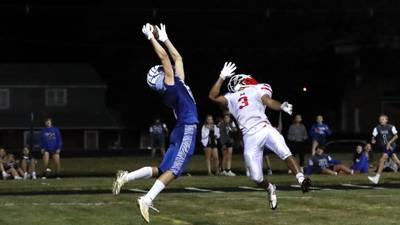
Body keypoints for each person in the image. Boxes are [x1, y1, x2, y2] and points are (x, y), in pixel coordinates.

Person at [112, 23, 198, 223]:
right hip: (186, 128)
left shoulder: (176, 84)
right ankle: (147, 199)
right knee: (174, 171)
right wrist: (151, 37)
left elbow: (178, 58)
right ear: (160, 77)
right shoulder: (170, 86)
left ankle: (126, 177)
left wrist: (165, 38)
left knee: (162, 170)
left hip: (180, 129)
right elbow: (165, 58)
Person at [209, 62, 311, 210]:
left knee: (284, 151)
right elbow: (212, 96)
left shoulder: (258, 88)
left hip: (264, 128)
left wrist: (281, 106)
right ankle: (270, 187)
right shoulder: (231, 97)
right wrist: (221, 77)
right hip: (249, 137)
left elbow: (268, 101)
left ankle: (301, 179)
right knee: (256, 177)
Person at [368, 114, 399, 184]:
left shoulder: (391, 127)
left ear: (386, 120)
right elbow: (373, 136)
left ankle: (376, 178)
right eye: (380, 119)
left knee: (382, 159)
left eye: (383, 119)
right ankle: (376, 178)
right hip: (385, 147)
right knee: (397, 161)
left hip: (391, 146)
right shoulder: (377, 128)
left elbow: (396, 136)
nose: (381, 121)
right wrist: (373, 139)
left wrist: (389, 143)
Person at [218, 112, 237, 176]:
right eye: (226, 118)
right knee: (225, 156)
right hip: (223, 141)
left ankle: (228, 170)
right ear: (224, 118)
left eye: (228, 118)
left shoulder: (231, 123)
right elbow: (219, 134)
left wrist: (231, 128)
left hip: (230, 141)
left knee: (229, 156)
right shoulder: (221, 124)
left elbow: (235, 130)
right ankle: (223, 170)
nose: (227, 119)